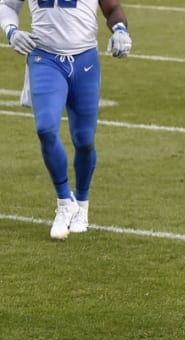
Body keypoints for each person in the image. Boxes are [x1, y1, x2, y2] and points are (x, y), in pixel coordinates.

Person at [0, 0, 132, 239]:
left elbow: (112, 9)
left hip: (85, 60)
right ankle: (64, 201)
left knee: (84, 139)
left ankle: (82, 203)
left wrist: (120, 29)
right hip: (45, 58)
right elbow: (7, 5)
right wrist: (11, 31)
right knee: (46, 129)